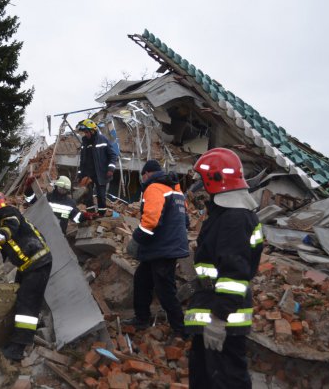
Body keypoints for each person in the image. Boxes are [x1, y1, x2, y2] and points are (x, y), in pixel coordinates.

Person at [185, 148, 263, 388]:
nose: (200, 188)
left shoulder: (234, 219)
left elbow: (234, 274)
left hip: (221, 317)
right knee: (205, 378)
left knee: (226, 381)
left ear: (215, 180)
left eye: (202, 181)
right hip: (211, 308)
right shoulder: (227, 215)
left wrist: (219, 319)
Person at [0, 189, 52, 361]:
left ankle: (18, 348)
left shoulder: (7, 213)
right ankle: (21, 335)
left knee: (27, 303)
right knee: (19, 299)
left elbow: (10, 227)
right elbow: (1, 251)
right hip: (27, 266)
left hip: (38, 263)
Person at [123, 160, 189, 336]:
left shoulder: (154, 188)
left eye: (143, 175)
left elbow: (151, 220)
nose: (143, 179)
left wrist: (136, 240)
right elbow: (186, 221)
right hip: (167, 245)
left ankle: (181, 329)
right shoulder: (176, 190)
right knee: (142, 279)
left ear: (147, 174)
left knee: (165, 289)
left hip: (162, 248)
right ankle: (142, 318)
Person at [24, 175, 95, 234]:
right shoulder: (46, 197)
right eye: (61, 188)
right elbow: (30, 200)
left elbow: (76, 217)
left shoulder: (70, 203)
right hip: (42, 231)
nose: (62, 191)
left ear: (67, 190)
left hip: (59, 235)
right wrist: (29, 188)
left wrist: (85, 216)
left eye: (65, 189)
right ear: (56, 186)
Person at [76, 118, 118, 217]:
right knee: (87, 196)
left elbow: (113, 155)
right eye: (84, 132)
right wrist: (80, 175)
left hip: (101, 173)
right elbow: (82, 161)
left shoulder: (103, 140)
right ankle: (91, 214)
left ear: (93, 130)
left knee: (101, 195)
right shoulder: (84, 143)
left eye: (87, 132)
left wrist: (111, 169)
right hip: (88, 174)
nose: (86, 134)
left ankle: (101, 214)